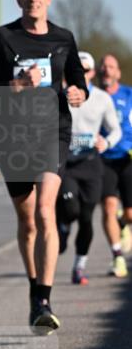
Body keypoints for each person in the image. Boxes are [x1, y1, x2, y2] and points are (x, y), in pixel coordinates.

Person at [0, 0, 87, 330]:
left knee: (45, 211)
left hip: (52, 132)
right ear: (18, 0)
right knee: (28, 222)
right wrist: (17, 84)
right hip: (12, 136)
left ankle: (44, 298)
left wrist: (78, 93)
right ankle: (34, 288)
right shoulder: (3, 38)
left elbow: (79, 83)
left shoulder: (64, 38)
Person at [57, 52, 121, 284]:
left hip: (91, 163)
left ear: (92, 73)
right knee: (71, 208)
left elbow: (115, 130)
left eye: (84, 70)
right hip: (66, 163)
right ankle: (63, 225)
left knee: (86, 218)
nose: (80, 74)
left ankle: (79, 266)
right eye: (76, 70)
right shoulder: (59, 95)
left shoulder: (102, 99)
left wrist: (107, 142)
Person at [96, 53, 132, 278]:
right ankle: (118, 257)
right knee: (108, 206)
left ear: (118, 73)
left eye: (111, 66)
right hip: (102, 159)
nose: (106, 70)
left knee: (130, 213)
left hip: (127, 158)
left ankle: (123, 221)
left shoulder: (129, 95)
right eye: (103, 66)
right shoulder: (92, 96)